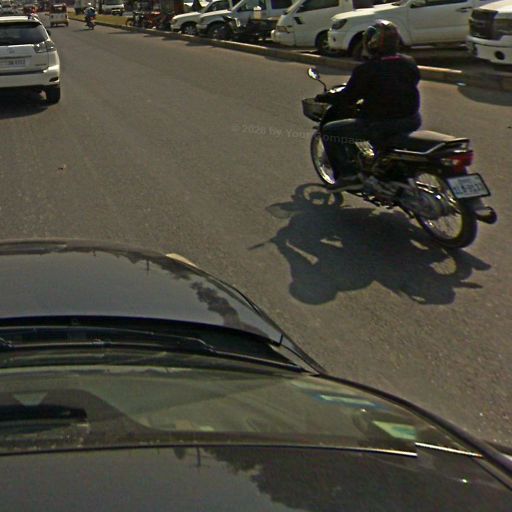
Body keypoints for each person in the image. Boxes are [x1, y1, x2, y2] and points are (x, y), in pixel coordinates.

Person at [315, 20, 422, 191]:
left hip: (380, 123)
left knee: (330, 131)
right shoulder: (409, 62)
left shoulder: (367, 69)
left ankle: (349, 176)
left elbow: (349, 97)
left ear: (371, 44)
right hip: (412, 119)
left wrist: (326, 97)